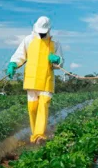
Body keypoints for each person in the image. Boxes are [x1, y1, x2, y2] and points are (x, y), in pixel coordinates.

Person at [6, 16, 64, 144]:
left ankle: (39, 136)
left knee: (43, 105)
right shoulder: (28, 40)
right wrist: (13, 64)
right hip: (31, 80)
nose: (42, 34)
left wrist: (57, 60)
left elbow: (60, 63)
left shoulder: (55, 43)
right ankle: (34, 135)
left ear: (48, 30)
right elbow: (20, 55)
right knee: (32, 108)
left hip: (46, 80)